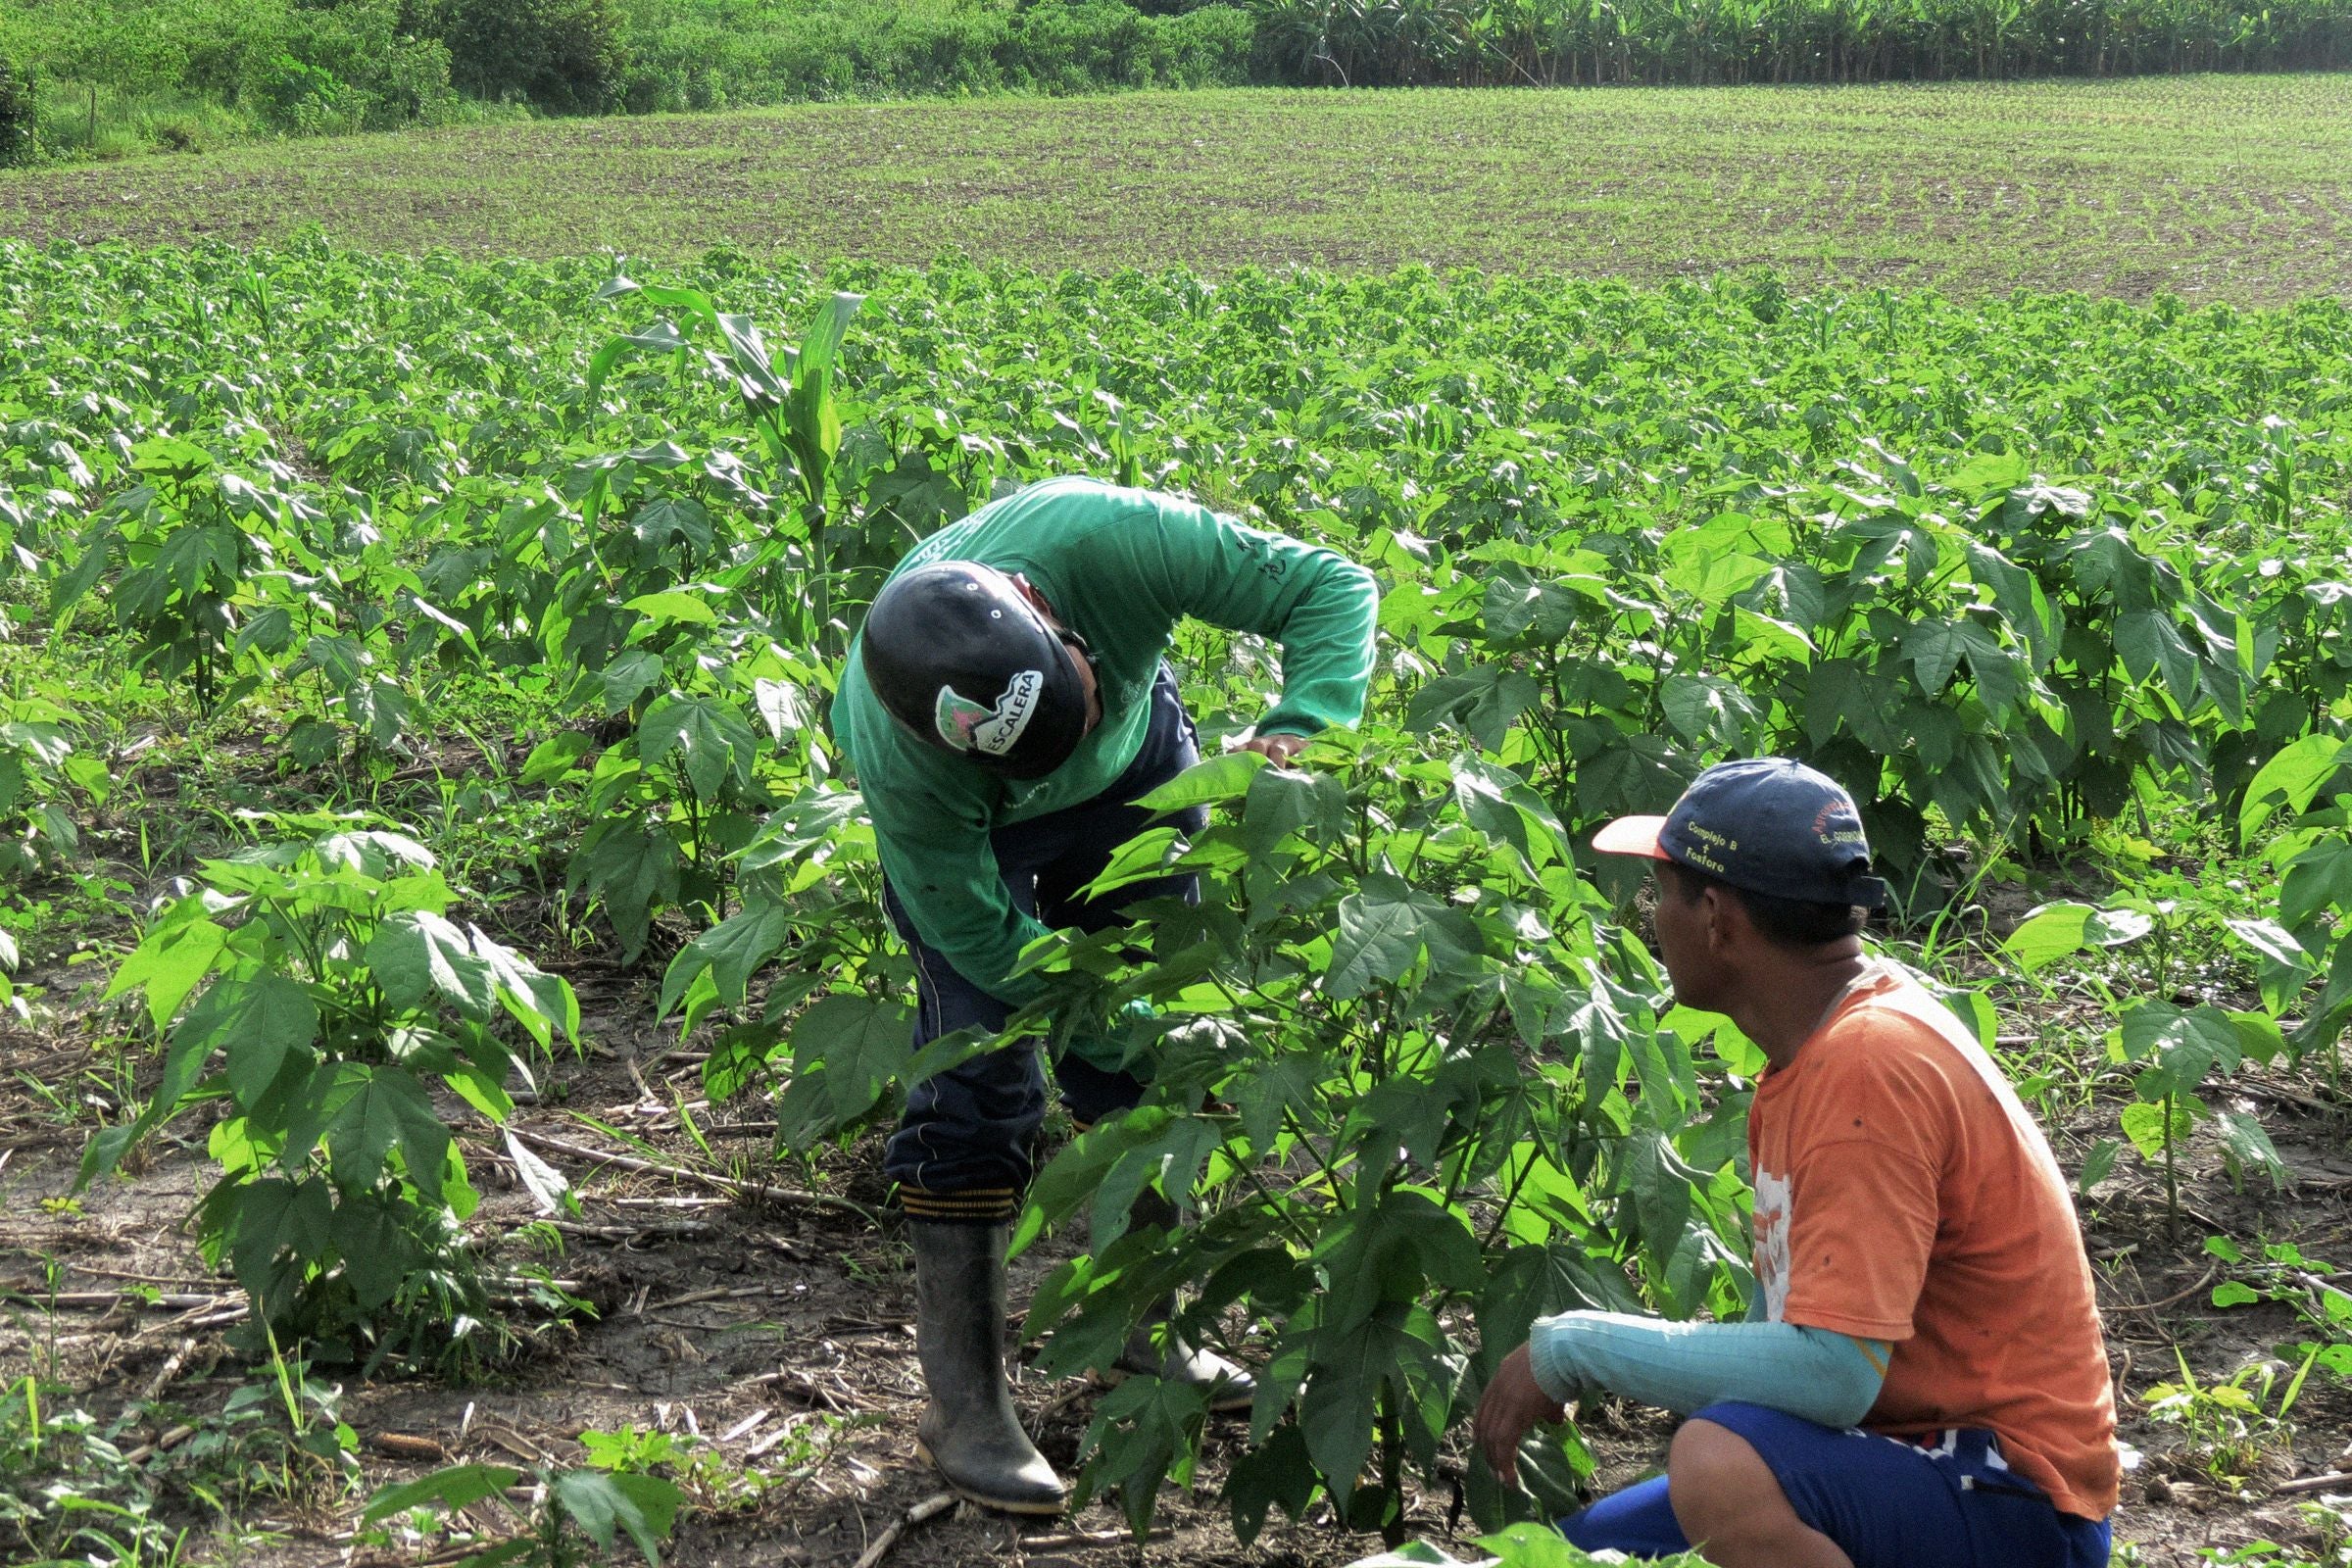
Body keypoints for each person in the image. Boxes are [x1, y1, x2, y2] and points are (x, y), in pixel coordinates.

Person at [835, 473, 1379, 1514]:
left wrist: (1302, 729)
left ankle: (1147, 1328)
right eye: (1034, 757)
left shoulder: (1120, 541)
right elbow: (981, 937)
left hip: (1139, 776)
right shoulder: (903, 757)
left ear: (1051, 616)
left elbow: (1331, 588)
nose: (1061, 753)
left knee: (1151, 1057)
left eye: (1072, 704)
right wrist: (1100, 1012)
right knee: (978, 1078)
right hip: (975, 851)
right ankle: (965, 1406)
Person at [1473, 758, 2119, 1568]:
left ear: (1716, 919)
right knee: (1554, 1558)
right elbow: (1780, 1339)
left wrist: (1573, 1346)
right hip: (1917, 1470)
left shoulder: (1869, 1068)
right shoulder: (1822, 1047)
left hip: (2015, 1503)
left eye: (1660, 893)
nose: (1649, 916)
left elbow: (1833, 1376)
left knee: (1717, 1461)